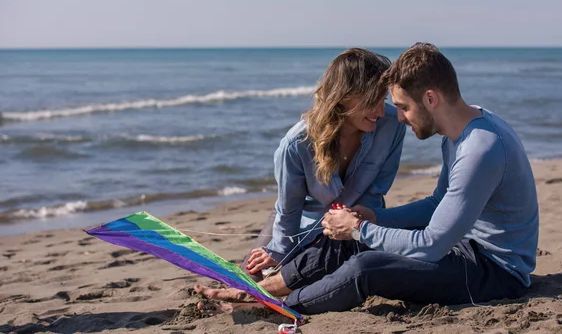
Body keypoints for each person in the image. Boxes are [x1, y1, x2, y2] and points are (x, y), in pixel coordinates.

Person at [197, 43, 539, 315]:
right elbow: (437, 204)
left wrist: (361, 230)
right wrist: (374, 218)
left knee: (366, 266)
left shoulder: (480, 148)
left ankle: (270, 302)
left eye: (403, 106)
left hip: (495, 271)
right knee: (356, 233)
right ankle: (259, 290)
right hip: (465, 246)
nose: (399, 119)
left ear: (431, 99)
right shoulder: (461, 133)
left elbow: (432, 244)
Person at [239, 48, 407, 281]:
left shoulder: (392, 126)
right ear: (344, 96)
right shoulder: (297, 144)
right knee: (251, 276)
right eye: (371, 101)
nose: (380, 110)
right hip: (296, 219)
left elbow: (375, 193)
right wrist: (279, 251)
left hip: (355, 222)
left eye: (383, 99)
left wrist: (346, 228)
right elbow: (289, 209)